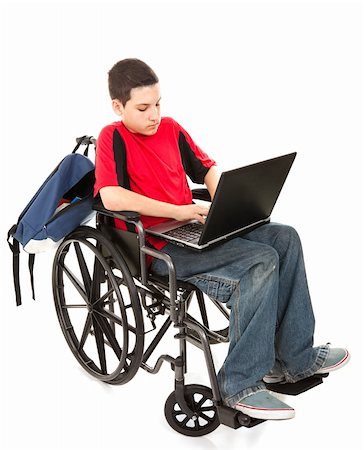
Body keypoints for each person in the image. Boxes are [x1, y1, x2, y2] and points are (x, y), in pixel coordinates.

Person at [94, 58, 350, 421]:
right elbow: (111, 197)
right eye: (143, 107)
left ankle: (295, 359)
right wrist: (178, 210)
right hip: (157, 244)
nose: (154, 114)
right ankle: (240, 385)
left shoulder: (170, 128)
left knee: (285, 238)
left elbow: (206, 168)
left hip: (195, 228)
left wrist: (224, 204)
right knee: (261, 262)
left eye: (158, 103)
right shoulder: (112, 137)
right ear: (118, 107)